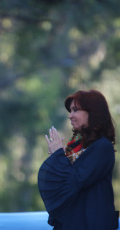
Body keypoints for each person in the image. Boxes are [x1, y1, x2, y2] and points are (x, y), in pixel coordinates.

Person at [38, 90, 118, 230]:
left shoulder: (102, 147)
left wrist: (58, 155)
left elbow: (74, 181)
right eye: (70, 111)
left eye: (75, 110)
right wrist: (58, 157)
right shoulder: (77, 146)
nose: (70, 116)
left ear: (92, 113)